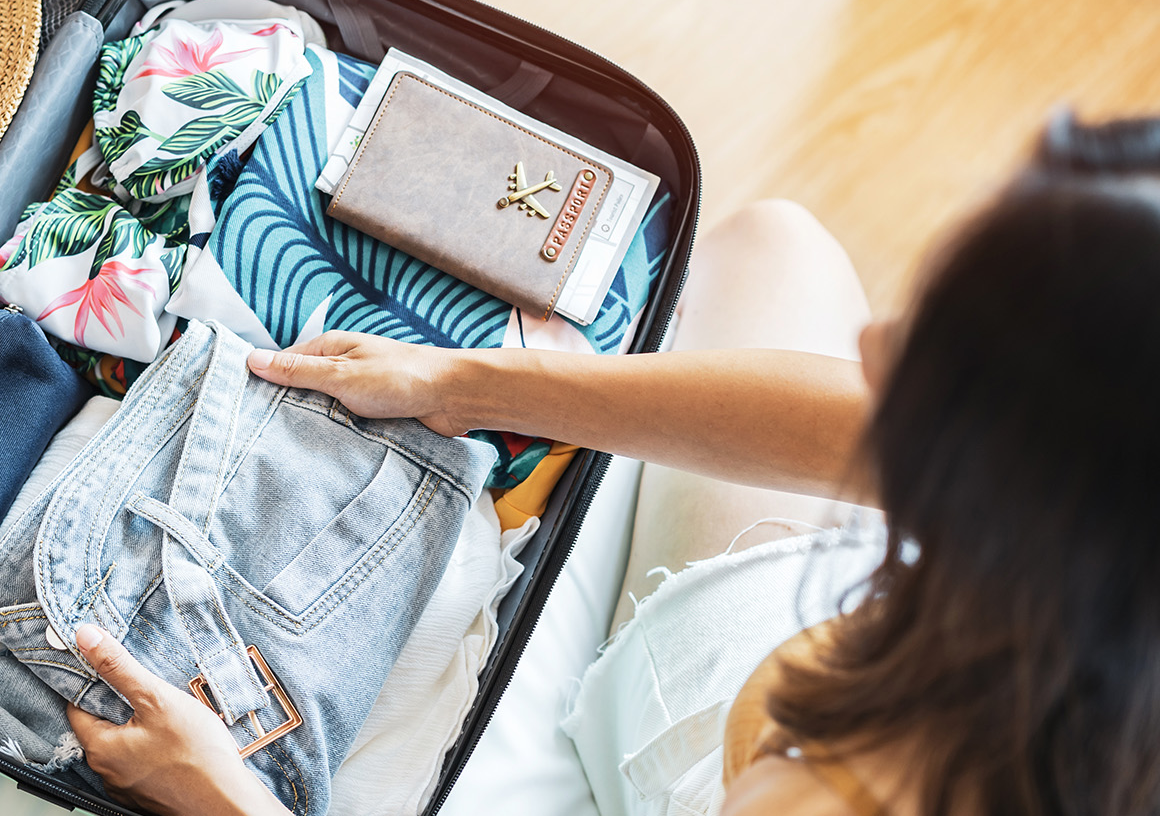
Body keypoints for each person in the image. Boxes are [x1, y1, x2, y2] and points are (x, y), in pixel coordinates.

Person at [58, 112, 1160, 816]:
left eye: (929, 360)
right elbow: (860, 429)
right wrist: (466, 384)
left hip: (703, 753)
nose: (871, 343)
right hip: (822, 647)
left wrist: (223, 797)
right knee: (778, 242)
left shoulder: (829, 799)